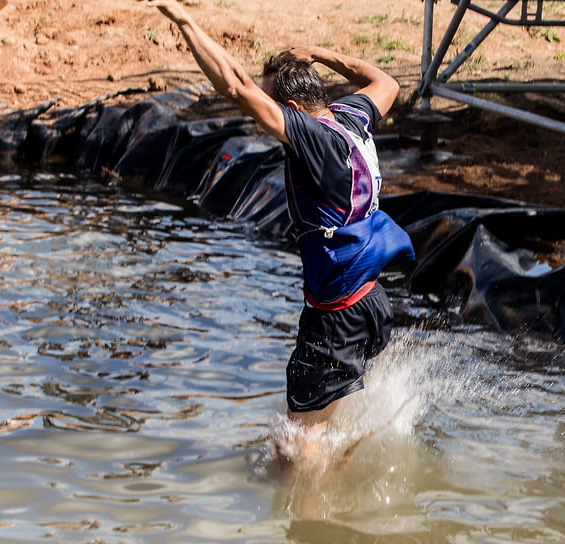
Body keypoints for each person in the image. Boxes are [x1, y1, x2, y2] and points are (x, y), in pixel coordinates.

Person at [136, 0, 414, 460]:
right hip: (372, 302)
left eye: (270, 105)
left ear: (290, 109)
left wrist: (183, 19)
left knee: (297, 447)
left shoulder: (312, 139)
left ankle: (304, 523)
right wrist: (319, 52)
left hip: (335, 315)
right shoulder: (349, 118)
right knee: (327, 431)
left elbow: (234, 86)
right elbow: (387, 82)